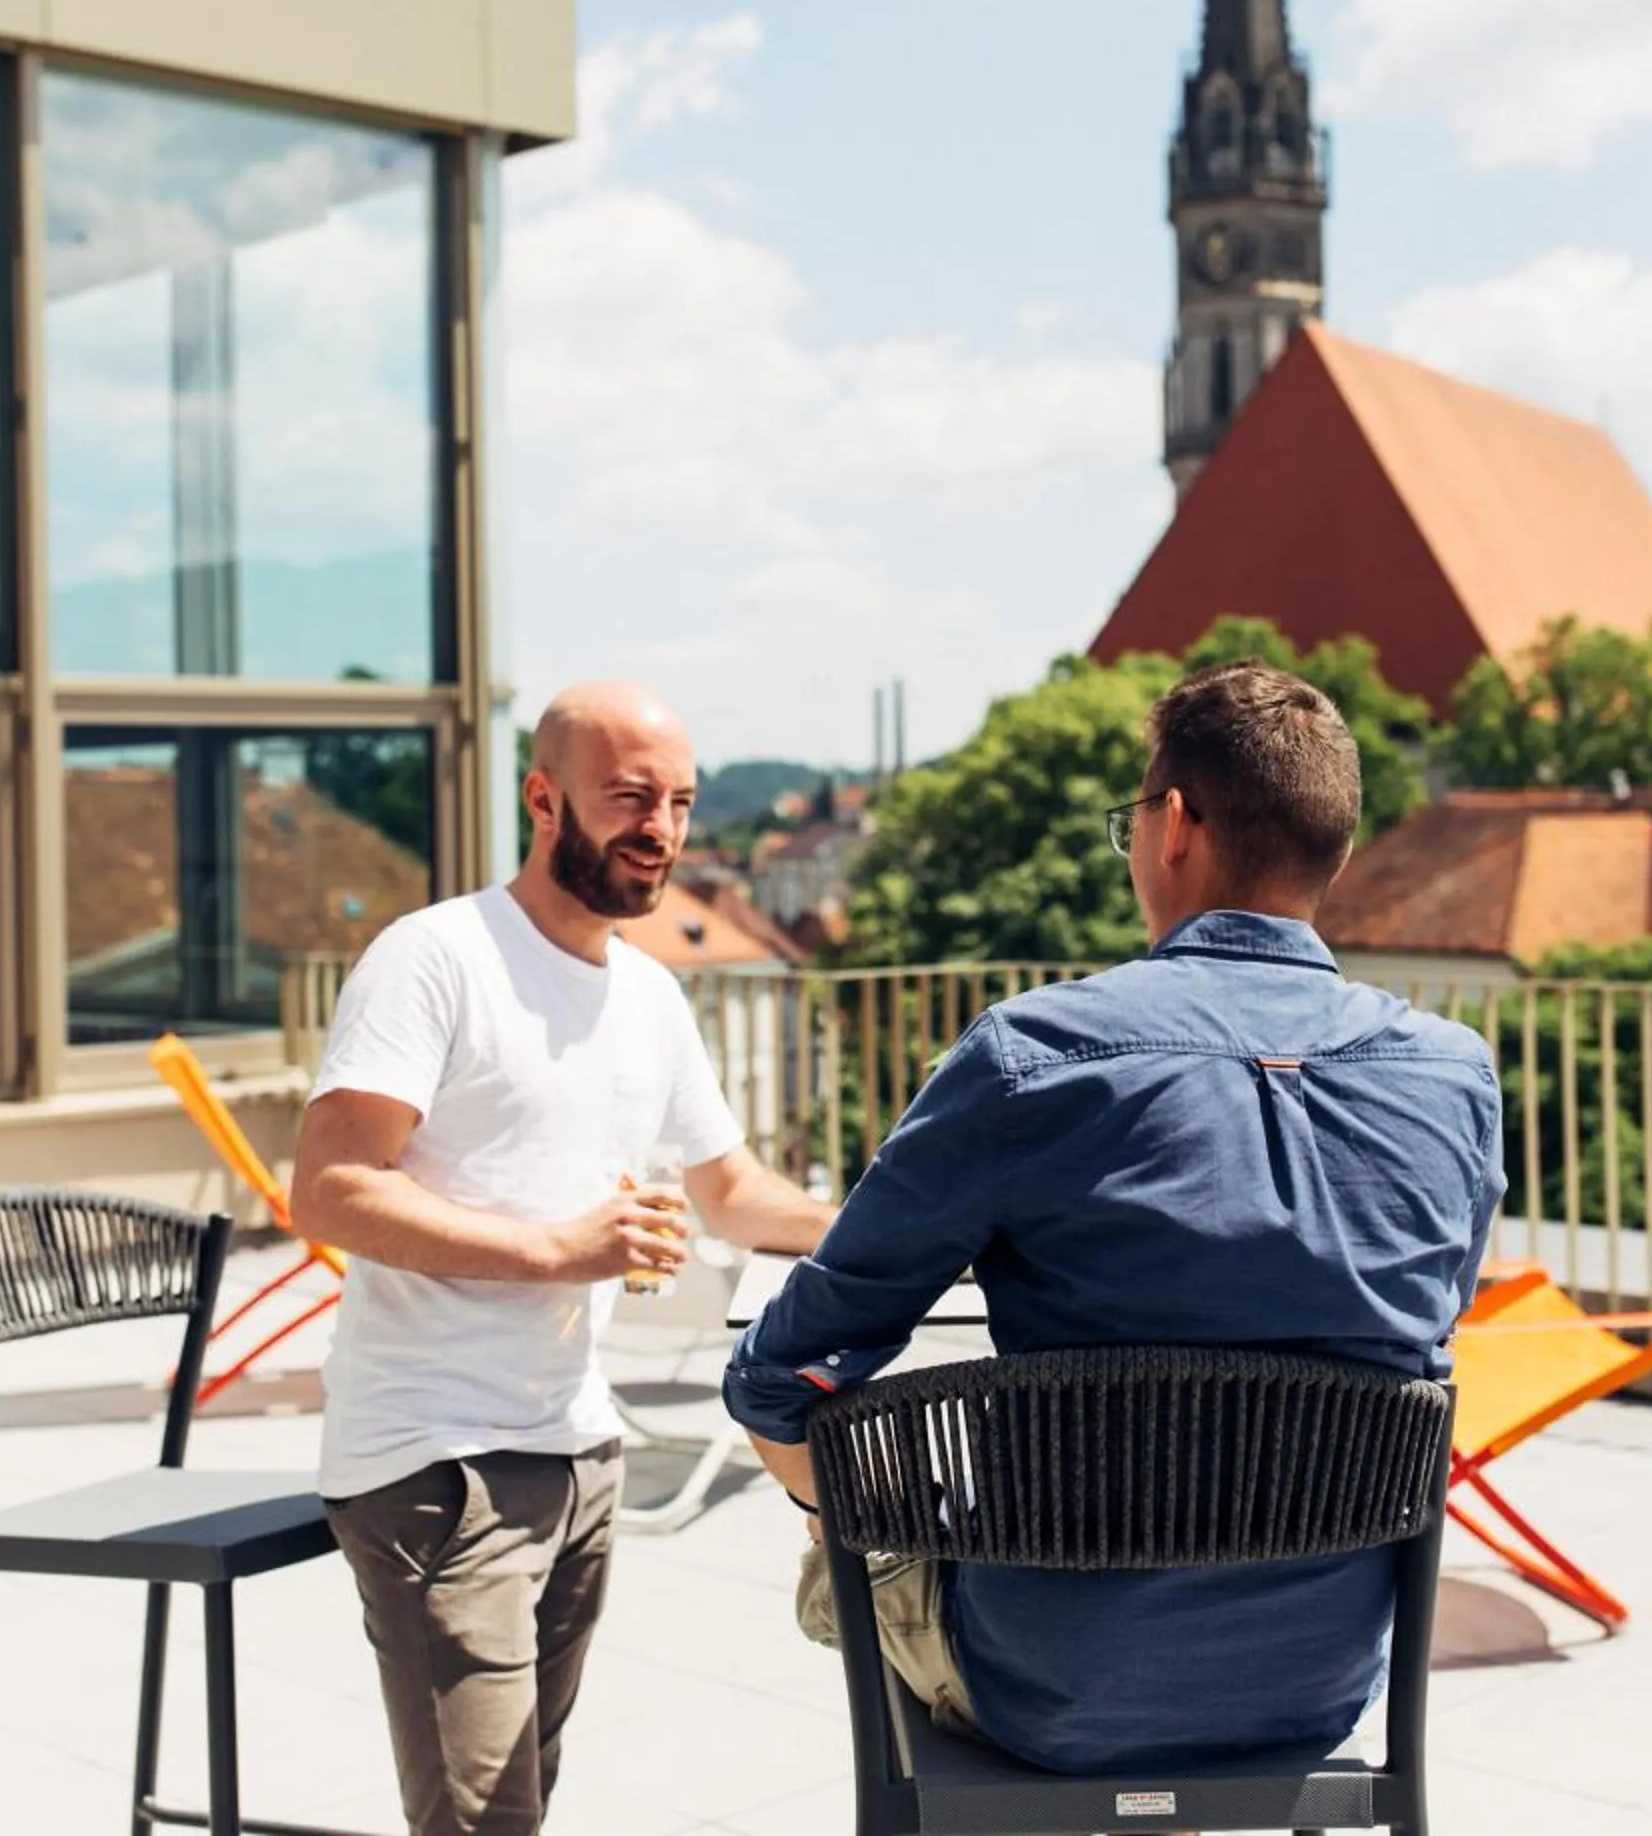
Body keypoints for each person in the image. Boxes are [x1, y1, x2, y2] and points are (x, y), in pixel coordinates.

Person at [723, 661, 1506, 1774]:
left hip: (1048, 1691)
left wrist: (837, 1513)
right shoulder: (1453, 1077)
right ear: (1333, 848)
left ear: (1174, 823)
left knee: (841, 1526)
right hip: (1319, 1687)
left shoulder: (1033, 1058)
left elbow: (786, 1374)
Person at [292, 680, 837, 1836]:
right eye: (631, 794)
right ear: (543, 797)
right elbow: (330, 1186)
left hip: (580, 1448)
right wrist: (558, 1247)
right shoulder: (435, 956)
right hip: (435, 1458)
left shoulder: (647, 994)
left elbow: (734, 1193)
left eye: (681, 800)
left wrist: (918, 1225)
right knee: (485, 1820)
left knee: (519, 1802)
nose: (663, 827)